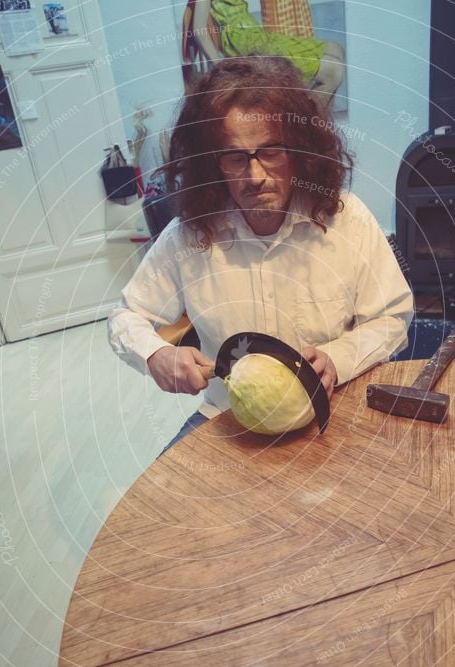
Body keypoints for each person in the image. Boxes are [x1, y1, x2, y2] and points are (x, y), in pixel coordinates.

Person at [108, 56, 413, 446]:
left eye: (271, 152)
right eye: (236, 157)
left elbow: (392, 317)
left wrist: (340, 357)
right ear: (211, 163)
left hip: (331, 409)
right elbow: (125, 316)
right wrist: (156, 355)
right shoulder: (190, 235)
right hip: (228, 418)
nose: (256, 176)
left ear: (301, 150)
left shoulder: (346, 219)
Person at [192, 0, 344, 104]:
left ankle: (308, 118)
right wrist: (219, 65)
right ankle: (307, 125)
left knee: (336, 49)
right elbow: (198, 27)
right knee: (334, 71)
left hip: (257, 36)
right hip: (245, 45)